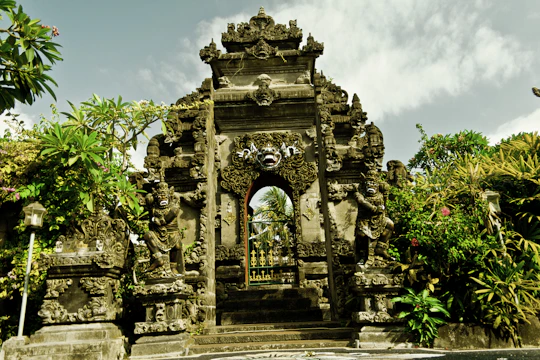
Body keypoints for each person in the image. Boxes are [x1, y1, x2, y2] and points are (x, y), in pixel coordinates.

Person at [144, 182, 184, 276]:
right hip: (157, 233)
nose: (162, 198)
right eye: (159, 196)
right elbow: (147, 202)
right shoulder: (154, 208)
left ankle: (173, 267)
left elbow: (164, 220)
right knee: (147, 235)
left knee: (177, 245)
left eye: (165, 196)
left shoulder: (174, 208)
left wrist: (156, 220)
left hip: (171, 233)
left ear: (169, 197)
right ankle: (158, 258)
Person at [354, 170, 394, 263]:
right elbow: (362, 202)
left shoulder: (380, 193)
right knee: (362, 234)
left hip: (378, 219)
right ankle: (362, 254)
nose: (371, 185)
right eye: (369, 182)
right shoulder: (359, 193)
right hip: (364, 220)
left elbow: (385, 204)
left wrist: (383, 207)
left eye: (373, 183)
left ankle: (381, 248)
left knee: (390, 224)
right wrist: (374, 209)